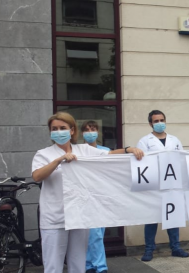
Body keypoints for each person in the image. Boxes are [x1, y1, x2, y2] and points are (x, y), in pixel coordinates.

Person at [32, 112, 144, 273]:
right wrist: (58, 160)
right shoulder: (43, 154)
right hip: (54, 217)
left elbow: (110, 155)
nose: (58, 131)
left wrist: (129, 149)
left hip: (80, 214)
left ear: (71, 130)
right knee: (53, 265)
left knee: (78, 263)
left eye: (62, 128)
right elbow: (37, 176)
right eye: (54, 128)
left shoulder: (84, 149)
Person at [137, 110, 189, 262]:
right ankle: (149, 250)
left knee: (173, 215)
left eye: (162, 120)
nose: (159, 123)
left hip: (172, 184)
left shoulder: (175, 140)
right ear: (150, 124)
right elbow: (142, 163)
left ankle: (176, 247)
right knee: (151, 217)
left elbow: (181, 159)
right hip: (154, 184)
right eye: (156, 121)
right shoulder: (144, 141)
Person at [81, 121, 110, 273]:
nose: (90, 132)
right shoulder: (77, 151)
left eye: (93, 129)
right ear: (81, 134)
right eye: (86, 130)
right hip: (84, 196)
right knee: (92, 233)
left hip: (101, 196)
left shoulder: (105, 150)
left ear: (98, 132)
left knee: (99, 232)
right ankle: (99, 266)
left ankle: (90, 265)